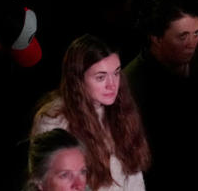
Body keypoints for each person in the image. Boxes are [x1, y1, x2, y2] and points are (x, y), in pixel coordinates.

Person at [123, 0, 198, 190]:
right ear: (156, 38)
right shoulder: (132, 83)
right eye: (182, 36)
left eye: (196, 33)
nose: (192, 43)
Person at [31, 35, 150, 191]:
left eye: (116, 73)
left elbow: (134, 173)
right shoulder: (54, 121)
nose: (112, 85)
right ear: (78, 79)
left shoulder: (121, 108)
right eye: (101, 77)